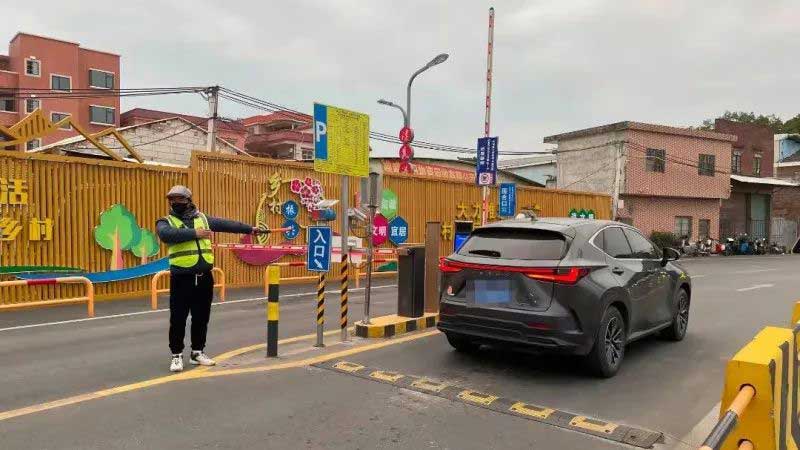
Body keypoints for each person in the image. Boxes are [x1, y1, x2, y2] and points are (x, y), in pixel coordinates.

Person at [156, 185, 265, 372]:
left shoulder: (203, 219)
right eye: (172, 200)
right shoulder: (165, 221)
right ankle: (176, 355)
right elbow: (166, 235)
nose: (175, 203)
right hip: (181, 278)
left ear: (188, 200)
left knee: (201, 317)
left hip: (204, 277)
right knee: (178, 318)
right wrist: (195, 234)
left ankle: (197, 352)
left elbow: (226, 224)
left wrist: (250, 229)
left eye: (179, 199)